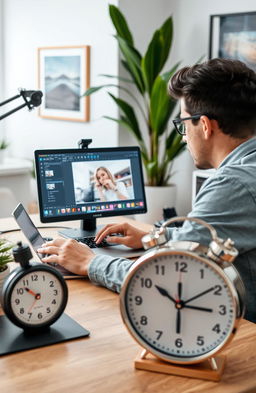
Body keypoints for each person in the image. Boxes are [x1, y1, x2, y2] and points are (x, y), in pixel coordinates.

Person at [38, 58, 256, 323]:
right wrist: (154, 236)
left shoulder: (232, 184)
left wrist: (89, 263)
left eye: (183, 125)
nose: (184, 136)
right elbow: (222, 237)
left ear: (206, 126)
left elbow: (165, 279)